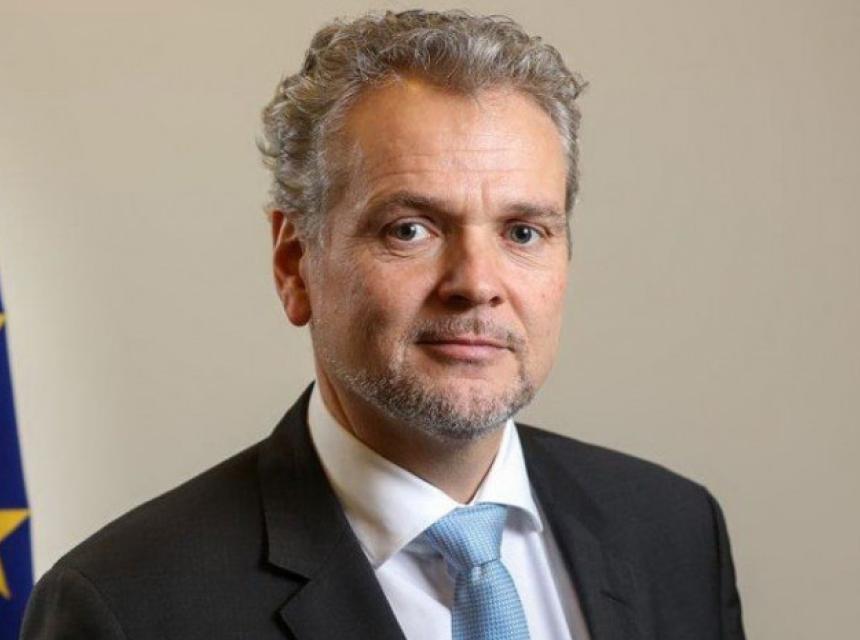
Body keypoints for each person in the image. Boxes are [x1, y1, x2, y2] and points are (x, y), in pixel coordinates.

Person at [21, 9, 745, 640]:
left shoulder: (675, 531)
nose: (477, 285)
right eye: (410, 229)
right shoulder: (129, 608)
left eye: (523, 232)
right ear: (295, 264)